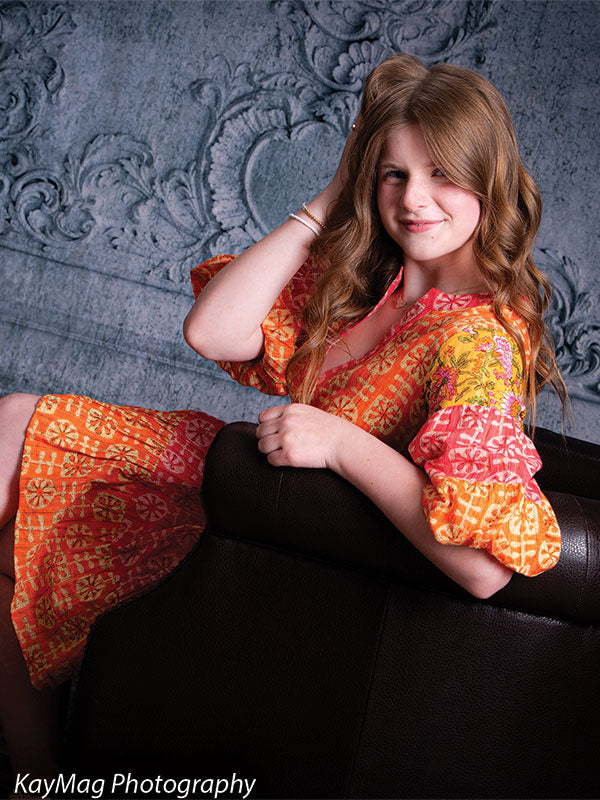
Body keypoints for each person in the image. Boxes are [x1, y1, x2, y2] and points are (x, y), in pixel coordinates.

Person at [0, 53, 566, 782]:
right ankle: (38, 779)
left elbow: (485, 570)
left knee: (12, 428)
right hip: (233, 493)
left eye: (443, 174)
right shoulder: (377, 284)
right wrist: (330, 199)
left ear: (487, 178)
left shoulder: (479, 340)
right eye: (393, 173)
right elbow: (214, 331)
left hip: (266, 536)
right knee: (9, 549)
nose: (415, 199)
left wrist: (340, 443)